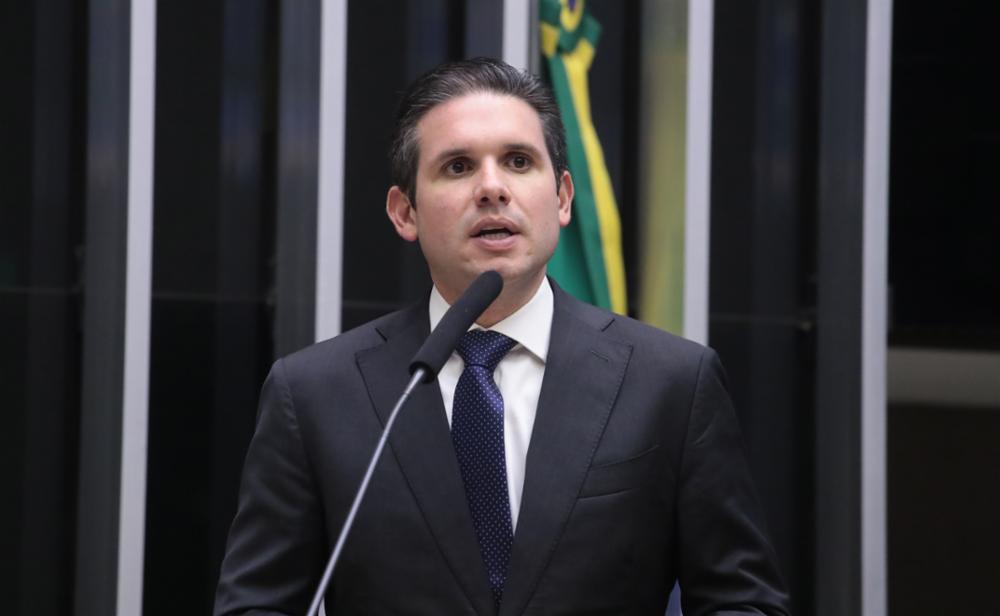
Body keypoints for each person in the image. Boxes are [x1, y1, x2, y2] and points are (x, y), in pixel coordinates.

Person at [215, 57, 790, 615]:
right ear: (405, 212)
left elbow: (744, 601)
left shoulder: (671, 382)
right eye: (458, 167)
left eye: (518, 161)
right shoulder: (314, 394)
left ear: (562, 198)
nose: (492, 188)